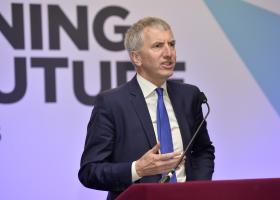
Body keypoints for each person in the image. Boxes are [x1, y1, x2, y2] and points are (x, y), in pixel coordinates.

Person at [78, 17, 215, 200]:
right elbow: (90, 171)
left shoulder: (189, 96)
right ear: (136, 57)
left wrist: (195, 191)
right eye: (158, 46)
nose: (169, 53)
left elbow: (203, 151)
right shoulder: (111, 104)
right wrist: (137, 169)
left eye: (172, 44)